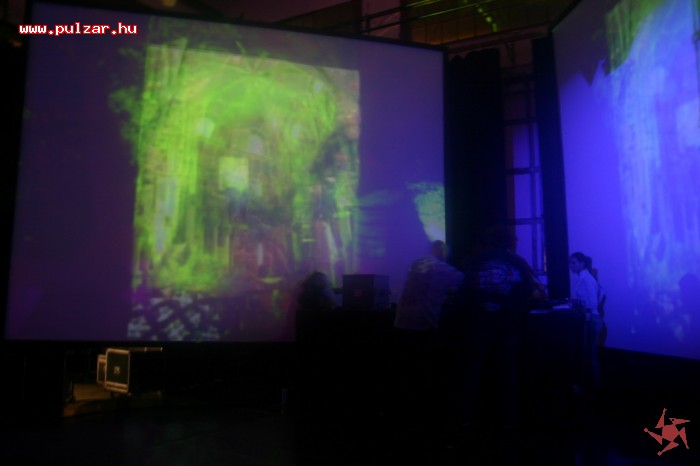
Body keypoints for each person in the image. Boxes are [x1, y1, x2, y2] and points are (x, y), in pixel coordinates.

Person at [455, 225, 544, 433]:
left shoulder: (476, 260)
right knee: (509, 372)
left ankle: (466, 419)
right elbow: (533, 291)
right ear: (509, 241)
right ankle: (510, 421)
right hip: (508, 326)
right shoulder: (517, 261)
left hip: (479, 325)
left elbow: (465, 291)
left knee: (472, 372)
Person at [392, 240, 464, 423]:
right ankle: (426, 413)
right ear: (443, 253)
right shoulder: (445, 269)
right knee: (425, 371)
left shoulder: (415, 265)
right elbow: (463, 282)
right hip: (424, 324)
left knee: (406, 371)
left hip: (401, 323)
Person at [569, 252, 605, 393]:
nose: (571, 266)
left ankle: (593, 387)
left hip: (592, 320)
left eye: (574, 263)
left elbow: (593, 303)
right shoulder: (582, 278)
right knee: (588, 354)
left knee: (589, 355)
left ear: (582, 263)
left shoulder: (587, 279)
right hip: (588, 320)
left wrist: (578, 305)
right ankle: (592, 386)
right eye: (570, 263)